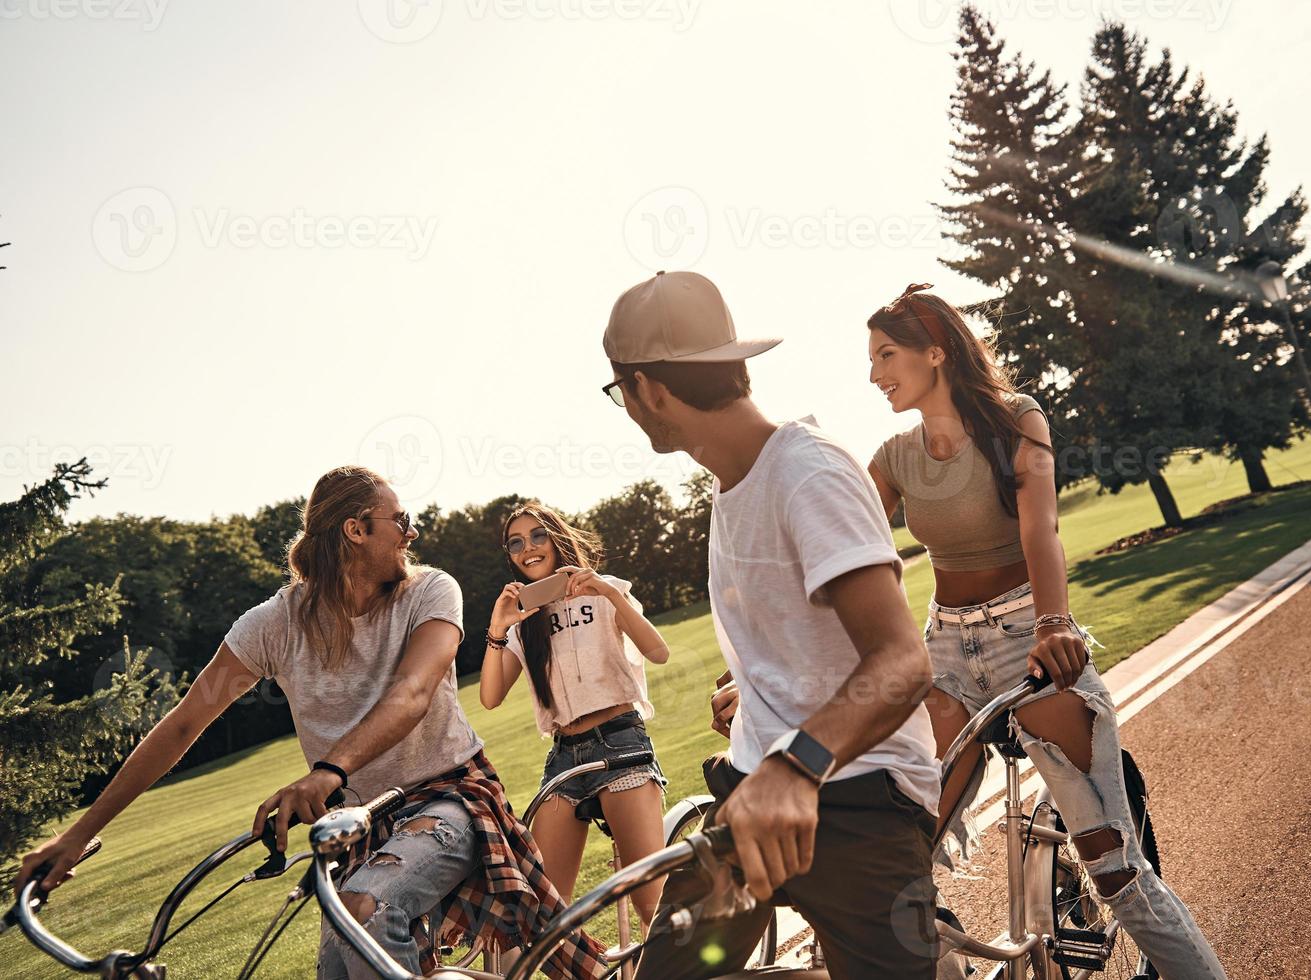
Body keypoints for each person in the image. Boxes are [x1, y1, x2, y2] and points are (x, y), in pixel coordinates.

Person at [13, 466, 605, 980]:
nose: (413, 531)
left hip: (449, 798)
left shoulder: (429, 590)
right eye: (401, 520)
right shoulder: (272, 623)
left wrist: (326, 772)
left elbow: (413, 692)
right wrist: (74, 836)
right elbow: (183, 723)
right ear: (357, 529)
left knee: (365, 910)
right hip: (355, 828)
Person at [865, 283, 1228, 979]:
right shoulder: (892, 457)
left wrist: (1053, 625)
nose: (874, 374)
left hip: (1027, 642)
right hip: (943, 655)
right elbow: (848, 551)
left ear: (934, 353)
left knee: (1116, 870)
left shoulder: (1016, 419)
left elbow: (1040, 529)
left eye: (886, 354)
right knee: (897, 863)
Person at [601, 270, 943, 980]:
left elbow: (902, 662)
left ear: (649, 391)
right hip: (753, 789)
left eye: (621, 393)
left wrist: (798, 763)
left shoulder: (807, 472)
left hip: (859, 794)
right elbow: (807, 639)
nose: (628, 408)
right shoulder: (733, 485)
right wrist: (756, 696)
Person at [479, 501, 670, 932]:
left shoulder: (608, 590)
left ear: (557, 538)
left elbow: (658, 652)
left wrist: (607, 592)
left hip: (620, 744)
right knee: (545, 916)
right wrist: (497, 627)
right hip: (565, 757)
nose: (527, 547)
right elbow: (490, 697)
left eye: (537, 535)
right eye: (515, 543)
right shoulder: (524, 621)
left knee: (650, 907)